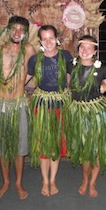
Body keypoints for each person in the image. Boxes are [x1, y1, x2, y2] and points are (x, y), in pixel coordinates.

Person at [0, 15, 35, 200]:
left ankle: (18, 183)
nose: (17, 32)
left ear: (26, 33)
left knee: (20, 147)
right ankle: (5, 181)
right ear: (8, 29)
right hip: (0, 104)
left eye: (21, 29)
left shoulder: (29, 50)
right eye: (14, 28)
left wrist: (28, 89)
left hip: (19, 104)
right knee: (3, 146)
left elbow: (37, 72)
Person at [66, 35, 106, 198]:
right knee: (84, 150)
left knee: (96, 149)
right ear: (78, 49)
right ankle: (85, 180)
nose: (85, 50)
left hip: (96, 112)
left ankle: (92, 182)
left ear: (95, 51)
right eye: (82, 47)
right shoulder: (71, 66)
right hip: (78, 112)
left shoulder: (101, 69)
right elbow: (68, 86)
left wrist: (102, 89)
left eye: (89, 47)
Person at [27, 25, 72, 197]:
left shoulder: (65, 56)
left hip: (60, 106)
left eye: (51, 38)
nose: (48, 42)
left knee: (56, 146)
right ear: (40, 41)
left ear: (57, 38)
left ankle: (53, 179)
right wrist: (5, 88)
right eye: (44, 38)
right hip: (42, 107)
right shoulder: (35, 60)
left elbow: (71, 76)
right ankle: (45, 181)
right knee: (44, 146)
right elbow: (25, 78)